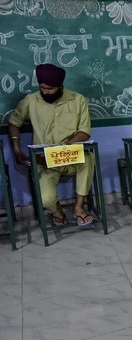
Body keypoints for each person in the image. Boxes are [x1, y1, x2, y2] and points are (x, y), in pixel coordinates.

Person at [7, 63, 95, 227]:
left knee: (89, 157)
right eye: (42, 88)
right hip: (44, 161)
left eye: (50, 89)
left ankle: (79, 208)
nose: (45, 92)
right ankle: (57, 212)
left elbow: (84, 131)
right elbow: (14, 123)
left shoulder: (78, 100)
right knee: (46, 199)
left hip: (71, 156)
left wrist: (63, 149)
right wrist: (17, 149)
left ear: (60, 86)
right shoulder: (31, 101)